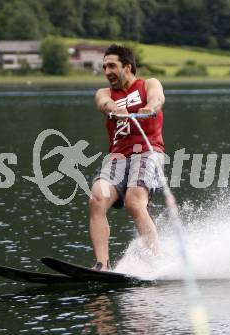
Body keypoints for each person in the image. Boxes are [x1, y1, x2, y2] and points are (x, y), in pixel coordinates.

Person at [89, 44, 166, 271]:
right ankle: (102, 265)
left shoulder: (148, 84)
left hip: (148, 152)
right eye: (104, 67)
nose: (107, 71)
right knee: (96, 200)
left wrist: (150, 106)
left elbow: (158, 98)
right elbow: (103, 104)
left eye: (112, 66)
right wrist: (113, 107)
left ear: (128, 67)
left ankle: (156, 263)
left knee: (134, 202)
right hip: (117, 158)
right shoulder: (105, 93)